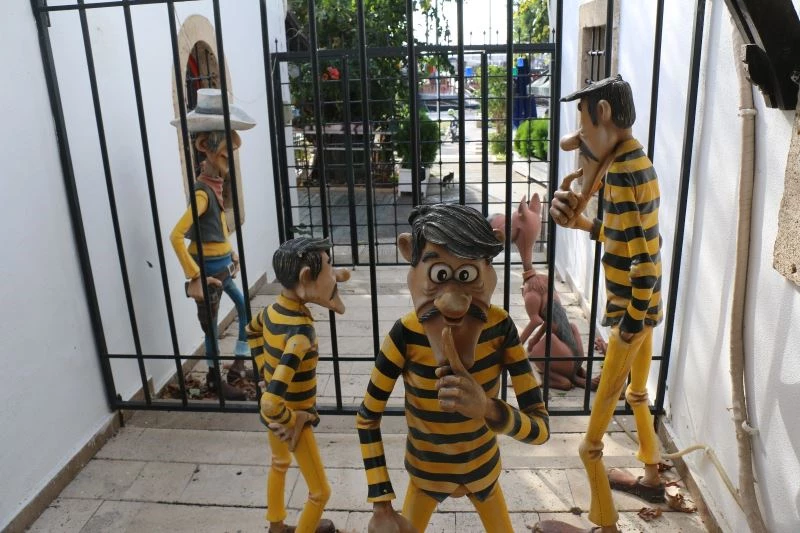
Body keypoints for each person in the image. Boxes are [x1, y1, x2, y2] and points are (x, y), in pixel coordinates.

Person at [356, 203, 550, 533]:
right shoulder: (404, 335)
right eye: (439, 275)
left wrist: (488, 408)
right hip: (426, 475)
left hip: (483, 472)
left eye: (467, 276)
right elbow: (367, 417)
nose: (453, 302)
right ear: (410, 259)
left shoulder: (500, 329)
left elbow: (541, 429)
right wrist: (382, 504)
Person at [535, 75, 665, 533]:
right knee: (637, 393)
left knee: (589, 444)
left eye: (583, 126)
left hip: (632, 312)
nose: (580, 139)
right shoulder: (635, 160)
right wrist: (583, 224)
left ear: (604, 113)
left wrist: (626, 327)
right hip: (648, 310)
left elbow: (642, 265)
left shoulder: (622, 173)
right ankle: (652, 476)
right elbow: (628, 235)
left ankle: (605, 525)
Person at [246, 237, 349, 533]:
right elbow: (271, 402)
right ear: (305, 277)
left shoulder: (271, 311)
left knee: (279, 463)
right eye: (328, 267)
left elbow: (251, 331)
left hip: (274, 417)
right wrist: (293, 420)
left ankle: (276, 526)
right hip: (292, 417)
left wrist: (263, 373)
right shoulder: (300, 333)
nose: (334, 275)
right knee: (320, 491)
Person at [169, 88, 255, 400]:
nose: (233, 150)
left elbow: (216, 228)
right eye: (226, 147)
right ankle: (215, 379)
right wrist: (194, 275)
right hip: (208, 274)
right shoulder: (202, 194)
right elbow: (176, 236)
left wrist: (230, 250)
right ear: (205, 146)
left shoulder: (214, 188)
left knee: (244, 308)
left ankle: (237, 367)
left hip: (223, 266)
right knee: (211, 329)